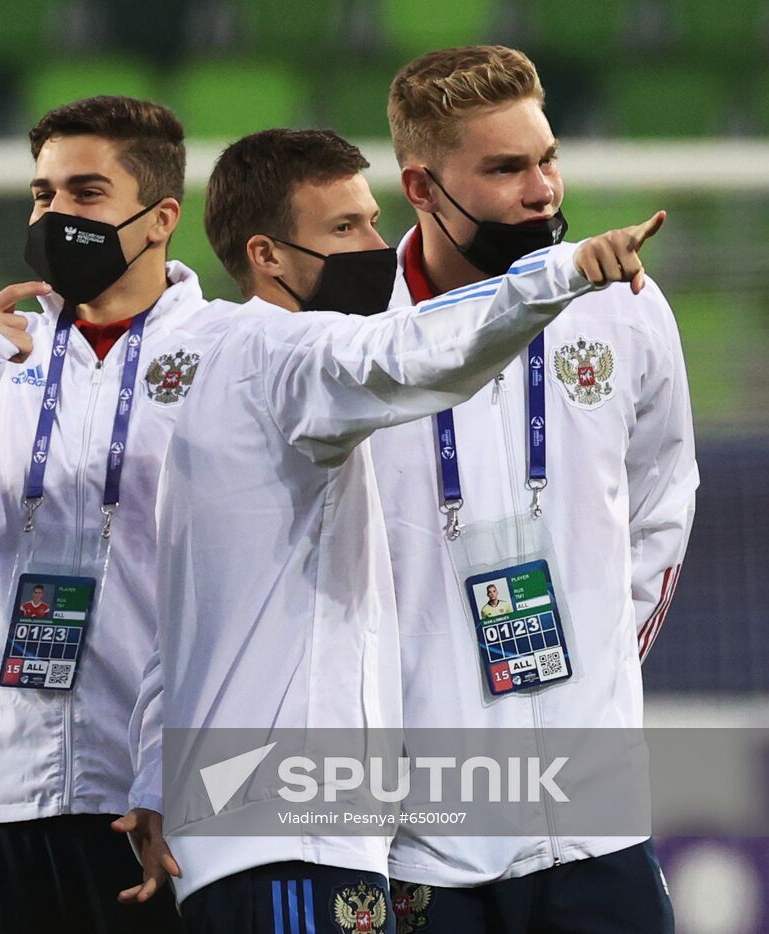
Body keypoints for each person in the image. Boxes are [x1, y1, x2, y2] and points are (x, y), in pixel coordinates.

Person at [121, 127, 666, 934]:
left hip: (259, 826)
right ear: (267, 255)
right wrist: (560, 272)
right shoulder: (285, 355)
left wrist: (156, 772)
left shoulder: (211, 356)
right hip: (291, 835)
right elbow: (412, 353)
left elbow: (182, 613)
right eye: (345, 229)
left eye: (373, 222)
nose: (376, 247)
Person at [370, 45, 696, 933]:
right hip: (427, 842)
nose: (542, 189)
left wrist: (600, 663)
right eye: (506, 168)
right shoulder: (353, 339)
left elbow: (665, 494)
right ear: (423, 187)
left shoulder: (624, 306)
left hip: (599, 831)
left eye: (547, 158)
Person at [0, 95, 207, 933]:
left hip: (159, 800)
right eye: (42, 195)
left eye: (86, 194)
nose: (55, 213)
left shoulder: (228, 353)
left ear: (159, 217)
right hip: (5, 793)